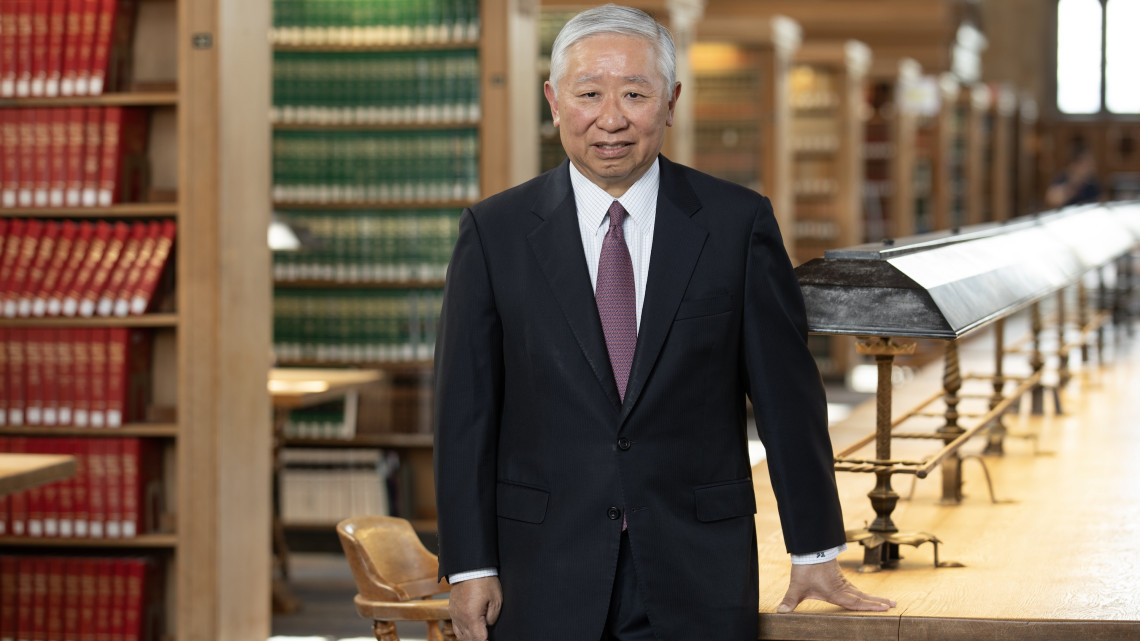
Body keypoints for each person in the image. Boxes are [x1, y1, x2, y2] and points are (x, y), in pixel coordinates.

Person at [433, 5, 894, 640]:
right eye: (588, 93)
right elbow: (465, 416)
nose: (611, 118)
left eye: (635, 93)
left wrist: (813, 550)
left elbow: (788, 398)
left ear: (671, 101)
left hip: (696, 568)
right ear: (553, 100)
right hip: (540, 570)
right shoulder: (494, 233)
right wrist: (469, 566)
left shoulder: (737, 224)